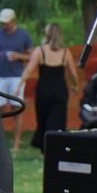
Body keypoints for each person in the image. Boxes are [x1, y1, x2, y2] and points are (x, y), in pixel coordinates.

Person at [22, 23, 80, 151]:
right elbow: (73, 73)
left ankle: (44, 146)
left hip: (43, 90)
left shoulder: (40, 50)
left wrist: (19, 86)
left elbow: (28, 70)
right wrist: (75, 86)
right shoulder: (65, 52)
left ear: (46, 35)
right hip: (60, 90)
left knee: (42, 119)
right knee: (58, 119)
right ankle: (55, 146)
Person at [0, 7, 34, 149]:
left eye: (5, 23)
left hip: (16, 77)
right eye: (2, 23)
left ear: (13, 21)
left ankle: (17, 142)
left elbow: (32, 56)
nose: (3, 25)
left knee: (16, 108)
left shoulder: (23, 35)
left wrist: (19, 56)